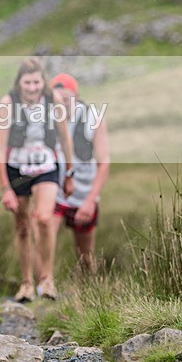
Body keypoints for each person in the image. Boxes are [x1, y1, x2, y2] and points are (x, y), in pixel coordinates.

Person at [0, 58, 74, 303]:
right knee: (22, 226)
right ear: (19, 82)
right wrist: (5, 188)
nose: (32, 87)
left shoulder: (53, 100)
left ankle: (47, 279)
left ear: (43, 81)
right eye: (27, 82)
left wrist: (69, 173)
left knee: (44, 218)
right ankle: (26, 282)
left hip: (46, 165)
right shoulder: (8, 103)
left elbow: (65, 138)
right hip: (16, 168)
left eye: (36, 82)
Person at [50, 73, 110, 275]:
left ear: (76, 96)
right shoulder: (45, 118)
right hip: (55, 191)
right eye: (57, 100)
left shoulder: (93, 117)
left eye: (66, 99)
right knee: (43, 238)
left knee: (85, 254)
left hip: (84, 193)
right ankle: (45, 285)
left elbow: (104, 163)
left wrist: (90, 201)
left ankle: (89, 287)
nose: (62, 104)